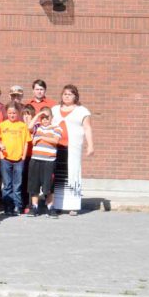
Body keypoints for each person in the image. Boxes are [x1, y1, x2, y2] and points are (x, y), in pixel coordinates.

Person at [51, 84, 94, 215]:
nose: (67, 96)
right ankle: (57, 204)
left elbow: (87, 128)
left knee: (72, 174)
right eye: (65, 94)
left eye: (70, 94)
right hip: (56, 147)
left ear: (75, 96)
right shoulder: (54, 109)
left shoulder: (82, 111)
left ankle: (73, 205)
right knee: (57, 176)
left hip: (73, 148)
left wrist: (90, 145)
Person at [27, 109, 63, 218]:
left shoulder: (56, 128)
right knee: (34, 185)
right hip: (35, 160)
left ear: (51, 118)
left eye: (47, 117)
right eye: (43, 118)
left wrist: (42, 137)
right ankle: (34, 207)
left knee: (49, 186)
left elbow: (55, 141)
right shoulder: (37, 127)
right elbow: (29, 127)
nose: (45, 120)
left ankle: (50, 207)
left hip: (49, 161)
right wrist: (38, 114)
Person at [0, 103, 31, 216]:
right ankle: (8, 207)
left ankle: (18, 206)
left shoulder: (22, 126)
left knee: (17, 184)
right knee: (7, 184)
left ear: (18, 113)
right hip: (5, 159)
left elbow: (27, 143)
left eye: (14, 113)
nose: (12, 115)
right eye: (10, 113)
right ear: (6, 114)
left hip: (19, 159)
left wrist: (23, 157)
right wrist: (1, 155)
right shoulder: (2, 125)